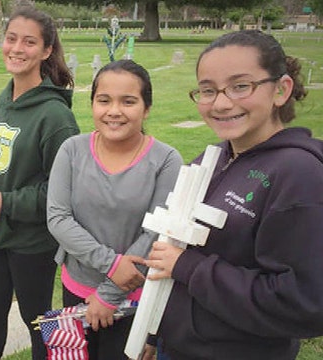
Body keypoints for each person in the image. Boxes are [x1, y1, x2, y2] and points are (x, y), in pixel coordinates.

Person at [143, 30, 323, 360]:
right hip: (178, 345)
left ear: (281, 90)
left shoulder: (300, 175)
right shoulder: (213, 157)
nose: (221, 103)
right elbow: (176, 247)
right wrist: (155, 331)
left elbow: (305, 303)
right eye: (208, 90)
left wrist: (189, 267)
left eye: (241, 86)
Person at [46, 60, 183, 359]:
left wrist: (109, 294)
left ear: (146, 108)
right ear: (93, 103)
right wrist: (110, 265)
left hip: (133, 298)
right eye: (104, 100)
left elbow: (156, 234)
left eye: (128, 101)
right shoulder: (72, 149)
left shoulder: (166, 160)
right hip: (77, 286)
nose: (114, 111)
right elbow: (58, 219)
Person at [0, 6, 80, 360]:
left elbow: (63, 191)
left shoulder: (55, 116)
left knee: (36, 322)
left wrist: (10, 202)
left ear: (46, 51)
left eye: (29, 42)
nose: (16, 48)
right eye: (11, 38)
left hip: (32, 242)